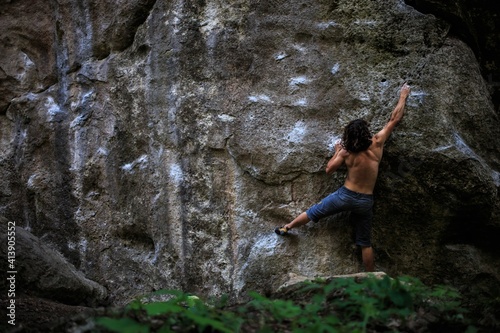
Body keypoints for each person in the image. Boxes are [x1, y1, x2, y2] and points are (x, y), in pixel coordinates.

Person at [275, 83, 411, 272]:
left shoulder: (346, 152)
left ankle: (287, 227)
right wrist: (403, 96)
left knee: (315, 212)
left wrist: (337, 151)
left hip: (345, 195)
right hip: (365, 200)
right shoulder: (377, 142)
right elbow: (394, 119)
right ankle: (371, 276)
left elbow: (329, 169)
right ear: (366, 132)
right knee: (364, 242)